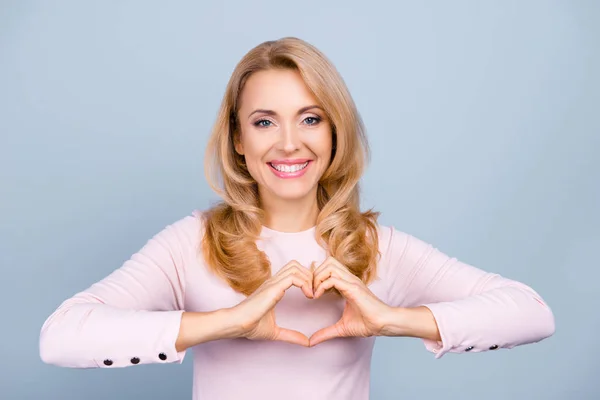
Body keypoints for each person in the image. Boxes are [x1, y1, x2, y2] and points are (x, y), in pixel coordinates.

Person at [39, 37, 555, 400]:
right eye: (265, 121)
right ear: (239, 141)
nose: (289, 142)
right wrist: (227, 323)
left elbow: (531, 312)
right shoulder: (190, 244)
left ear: (335, 133)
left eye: (311, 118)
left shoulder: (375, 247)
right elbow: (61, 336)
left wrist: (390, 319)